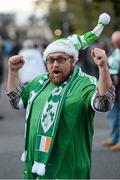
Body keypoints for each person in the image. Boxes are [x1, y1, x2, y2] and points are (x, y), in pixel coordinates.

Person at [6, 13, 115, 179]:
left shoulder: (84, 82)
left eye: (61, 59)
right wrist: (13, 72)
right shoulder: (39, 81)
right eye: (50, 60)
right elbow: (16, 101)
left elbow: (104, 103)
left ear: (73, 61)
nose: (55, 64)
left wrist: (103, 68)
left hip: (68, 170)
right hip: (36, 167)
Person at [102, 31, 120, 151]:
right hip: (112, 86)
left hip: (118, 85)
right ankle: (114, 138)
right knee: (112, 113)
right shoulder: (115, 52)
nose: (116, 42)